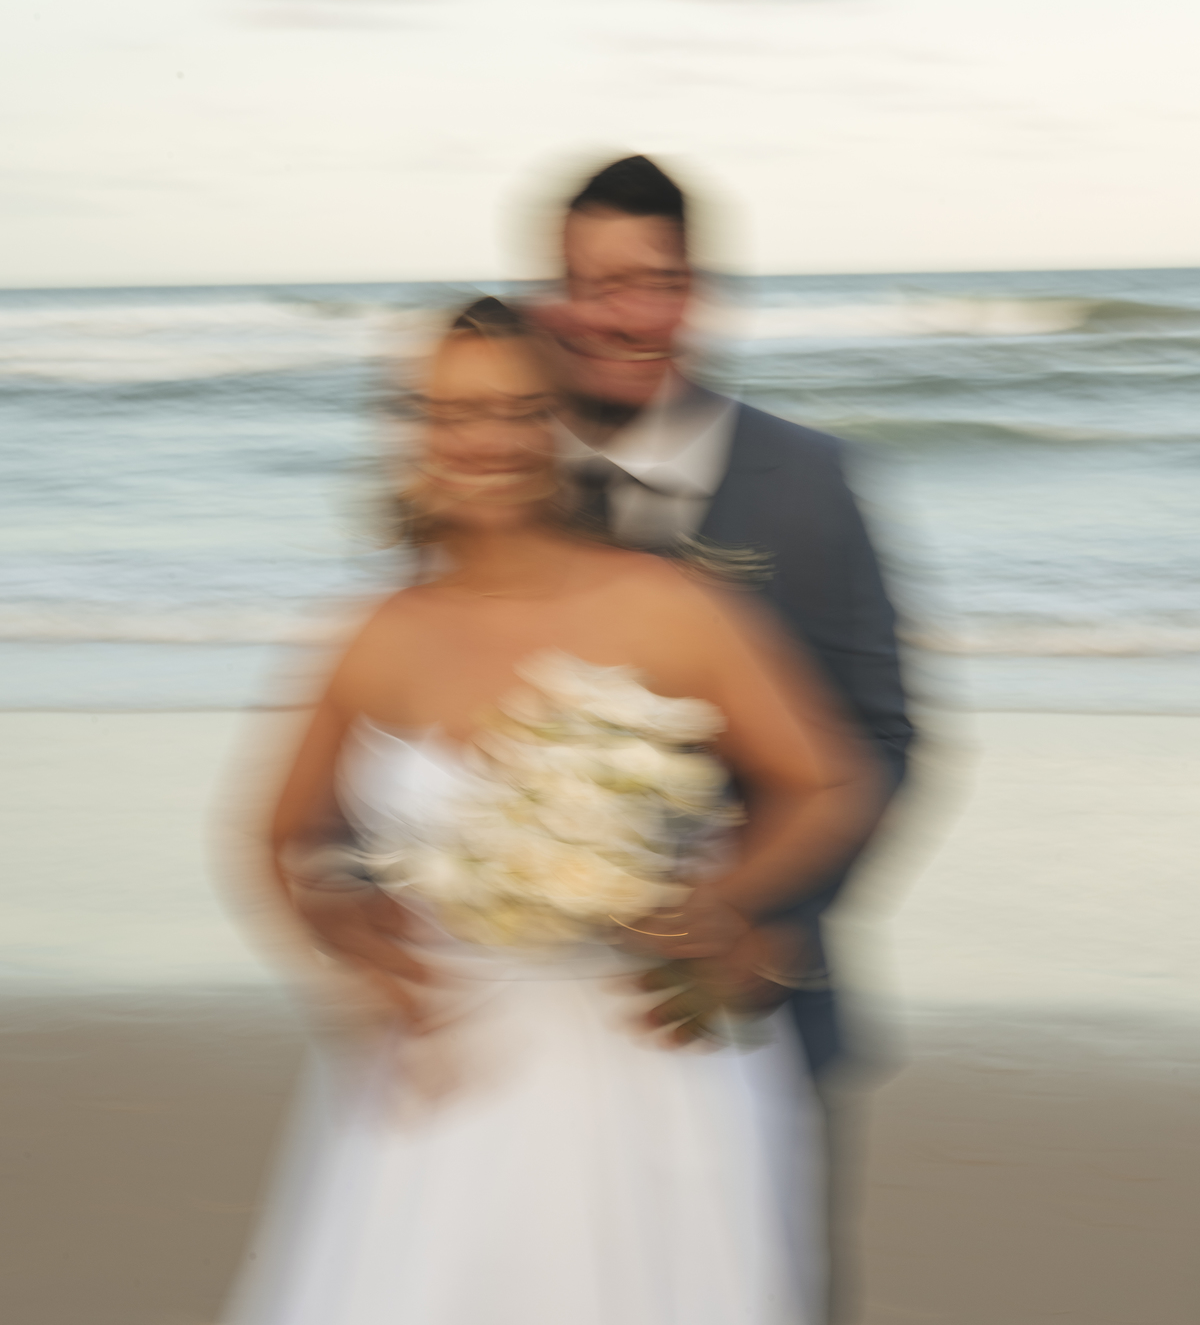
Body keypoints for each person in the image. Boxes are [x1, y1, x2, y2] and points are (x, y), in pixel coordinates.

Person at [226, 299, 881, 1325]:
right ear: (414, 431)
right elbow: (273, 838)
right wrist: (343, 940)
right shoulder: (376, 634)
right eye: (452, 412)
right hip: (445, 1065)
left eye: (517, 410)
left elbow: (831, 783)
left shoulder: (665, 605)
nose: (484, 440)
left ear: (561, 426)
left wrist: (728, 900)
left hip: (646, 1058)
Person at [535, 156, 914, 1076]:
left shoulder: (808, 485)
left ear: (697, 293)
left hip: (755, 1000)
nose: (626, 317)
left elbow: (881, 740)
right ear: (556, 302)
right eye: (596, 286)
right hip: (537, 1004)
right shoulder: (510, 482)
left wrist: (773, 924)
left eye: (655, 283)